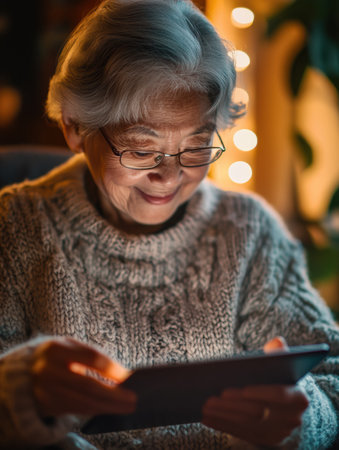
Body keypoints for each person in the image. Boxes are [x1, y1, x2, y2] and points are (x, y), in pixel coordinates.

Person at [0, 0, 338, 448]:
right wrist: (16, 394)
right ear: (75, 126)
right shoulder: (15, 228)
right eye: (142, 149)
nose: (169, 174)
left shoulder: (250, 230)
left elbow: (331, 376)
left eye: (197, 146)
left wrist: (299, 418)